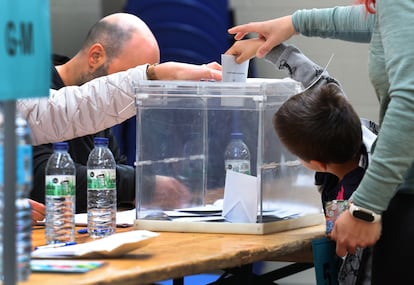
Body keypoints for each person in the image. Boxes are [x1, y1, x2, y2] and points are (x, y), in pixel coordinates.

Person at [227, 1, 414, 284]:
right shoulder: (358, 133)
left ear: (314, 164)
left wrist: (364, 207)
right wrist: (287, 29)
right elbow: (380, 23)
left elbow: (409, 103)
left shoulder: (356, 195)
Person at [27, 12, 222, 219]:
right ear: (95, 56)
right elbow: (43, 177)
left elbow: (113, 166)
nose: (138, 95)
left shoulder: (96, 105)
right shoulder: (28, 90)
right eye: (128, 75)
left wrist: (137, 187)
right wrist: (142, 184)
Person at [227, 39, 374, 284]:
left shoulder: (350, 205)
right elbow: (319, 82)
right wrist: (265, 49)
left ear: (315, 163)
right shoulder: (359, 134)